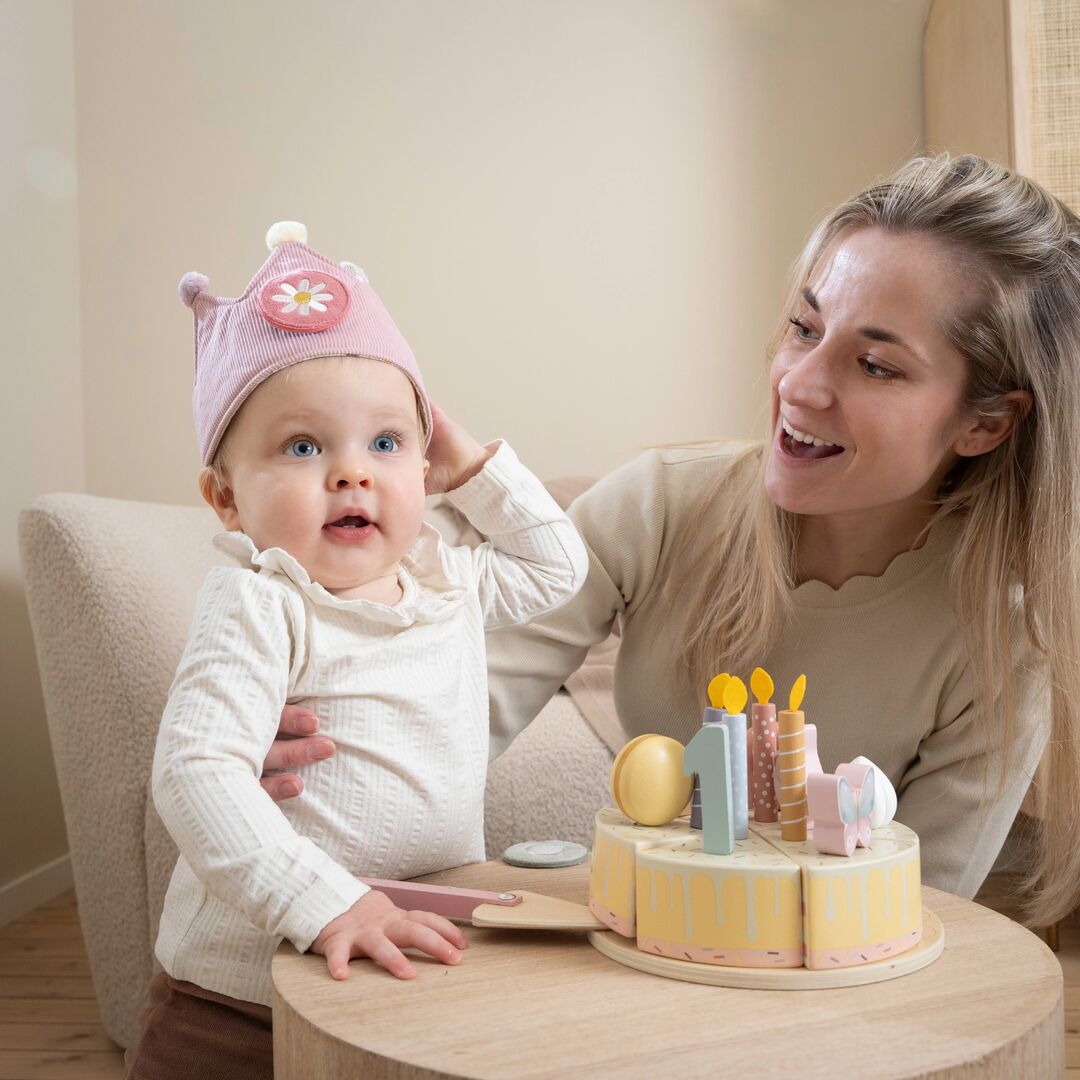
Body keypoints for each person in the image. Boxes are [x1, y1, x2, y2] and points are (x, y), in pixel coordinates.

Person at [267, 154, 1080, 928]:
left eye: (875, 365)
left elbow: (909, 915)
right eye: (804, 327)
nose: (798, 383)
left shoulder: (1002, 644)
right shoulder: (660, 503)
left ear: (986, 422)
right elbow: (449, 712)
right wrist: (329, 754)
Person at [125, 222, 588, 1080]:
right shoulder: (262, 600)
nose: (353, 473)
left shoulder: (447, 585)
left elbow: (556, 565)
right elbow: (195, 771)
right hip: (239, 1001)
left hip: (398, 964)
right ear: (225, 499)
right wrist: (324, 901)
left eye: (386, 443)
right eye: (304, 447)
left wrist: (473, 465)